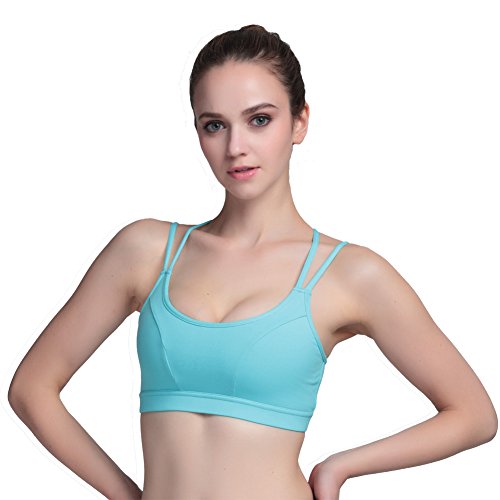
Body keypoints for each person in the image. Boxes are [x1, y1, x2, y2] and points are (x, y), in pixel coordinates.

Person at [7, 24, 497, 500]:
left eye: (259, 120)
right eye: (214, 125)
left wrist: (339, 467)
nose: (235, 147)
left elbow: (473, 415)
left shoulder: (348, 274)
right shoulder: (147, 251)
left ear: (299, 121)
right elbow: (31, 388)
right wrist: (127, 496)